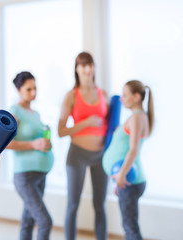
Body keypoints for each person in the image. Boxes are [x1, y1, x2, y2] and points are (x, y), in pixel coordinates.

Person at [58, 52, 109, 240]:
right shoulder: (71, 96)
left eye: (90, 65)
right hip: (77, 155)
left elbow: (111, 124)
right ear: (77, 69)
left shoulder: (103, 94)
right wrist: (86, 123)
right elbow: (61, 131)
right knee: (73, 205)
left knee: (100, 205)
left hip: (101, 155)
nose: (87, 69)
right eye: (83, 65)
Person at [102, 80, 154, 240]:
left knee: (130, 227)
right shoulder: (137, 117)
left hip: (130, 179)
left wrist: (121, 175)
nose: (122, 99)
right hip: (128, 179)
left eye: (125, 95)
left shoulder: (137, 118)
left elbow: (133, 149)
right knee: (129, 225)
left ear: (137, 97)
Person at [6, 71, 54, 240]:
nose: (33, 93)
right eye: (28, 89)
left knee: (28, 221)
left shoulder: (36, 114)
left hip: (40, 174)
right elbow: (5, 143)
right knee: (45, 221)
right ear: (18, 90)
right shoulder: (15, 111)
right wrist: (34, 144)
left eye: (35, 88)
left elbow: (39, 141)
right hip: (24, 176)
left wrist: (45, 143)